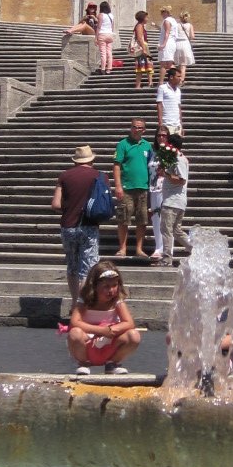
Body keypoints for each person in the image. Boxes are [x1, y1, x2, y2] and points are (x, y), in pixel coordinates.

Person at [67, 263, 141, 376]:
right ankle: (83, 363)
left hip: (109, 342)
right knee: (75, 333)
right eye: (106, 286)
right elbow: (74, 322)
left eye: (114, 285)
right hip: (88, 343)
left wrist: (111, 330)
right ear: (94, 286)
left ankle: (112, 363)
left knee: (134, 335)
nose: (111, 290)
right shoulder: (85, 300)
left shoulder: (117, 301)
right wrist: (100, 331)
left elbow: (129, 323)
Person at [51, 144, 101, 302]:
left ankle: (74, 302)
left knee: (72, 265)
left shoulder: (64, 176)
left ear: (75, 161)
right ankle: (82, 304)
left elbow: (56, 204)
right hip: (89, 225)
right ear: (91, 160)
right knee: (88, 267)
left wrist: (70, 208)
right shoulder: (99, 176)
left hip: (68, 226)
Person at [112, 118, 153, 260]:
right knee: (124, 218)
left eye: (140, 127)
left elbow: (151, 166)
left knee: (142, 220)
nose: (137, 130)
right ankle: (122, 248)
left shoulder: (147, 146)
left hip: (143, 187)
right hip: (127, 187)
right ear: (131, 128)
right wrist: (118, 186)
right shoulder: (123, 144)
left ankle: (139, 249)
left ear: (144, 130)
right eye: (134, 127)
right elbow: (117, 165)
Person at [158, 134, 190, 265]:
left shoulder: (178, 159)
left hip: (173, 200)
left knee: (166, 230)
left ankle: (167, 258)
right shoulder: (176, 158)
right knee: (176, 230)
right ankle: (195, 249)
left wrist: (165, 174)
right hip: (176, 200)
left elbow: (181, 180)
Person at [157, 6, 185, 81]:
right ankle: (179, 79)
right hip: (172, 42)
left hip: (167, 43)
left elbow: (167, 33)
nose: (161, 14)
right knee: (170, 64)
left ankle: (161, 82)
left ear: (166, 12)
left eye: (162, 12)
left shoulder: (167, 21)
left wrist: (163, 44)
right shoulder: (173, 20)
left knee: (163, 64)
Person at [156, 65, 184, 137]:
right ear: (171, 77)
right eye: (178, 76)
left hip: (177, 124)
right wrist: (160, 123)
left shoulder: (178, 90)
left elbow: (179, 107)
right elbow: (159, 104)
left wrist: (181, 124)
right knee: (166, 146)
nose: (180, 79)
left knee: (177, 146)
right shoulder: (162, 88)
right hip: (166, 123)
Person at [130, 9, 153, 89]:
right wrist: (144, 49)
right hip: (141, 47)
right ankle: (138, 85)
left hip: (143, 46)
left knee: (148, 64)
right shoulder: (139, 26)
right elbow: (140, 38)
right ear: (143, 18)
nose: (147, 19)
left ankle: (150, 82)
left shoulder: (140, 25)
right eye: (146, 17)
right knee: (141, 66)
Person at [95, 0, 115, 73]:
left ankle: (103, 68)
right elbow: (113, 27)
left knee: (103, 53)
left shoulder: (100, 15)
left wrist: (96, 37)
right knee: (109, 52)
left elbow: (99, 27)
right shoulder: (111, 15)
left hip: (102, 34)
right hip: (110, 34)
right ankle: (109, 69)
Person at [176, 10, 196, 81]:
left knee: (178, 64)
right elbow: (192, 36)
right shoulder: (190, 25)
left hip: (177, 44)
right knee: (183, 65)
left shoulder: (176, 25)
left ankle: (177, 79)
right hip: (185, 44)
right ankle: (181, 80)